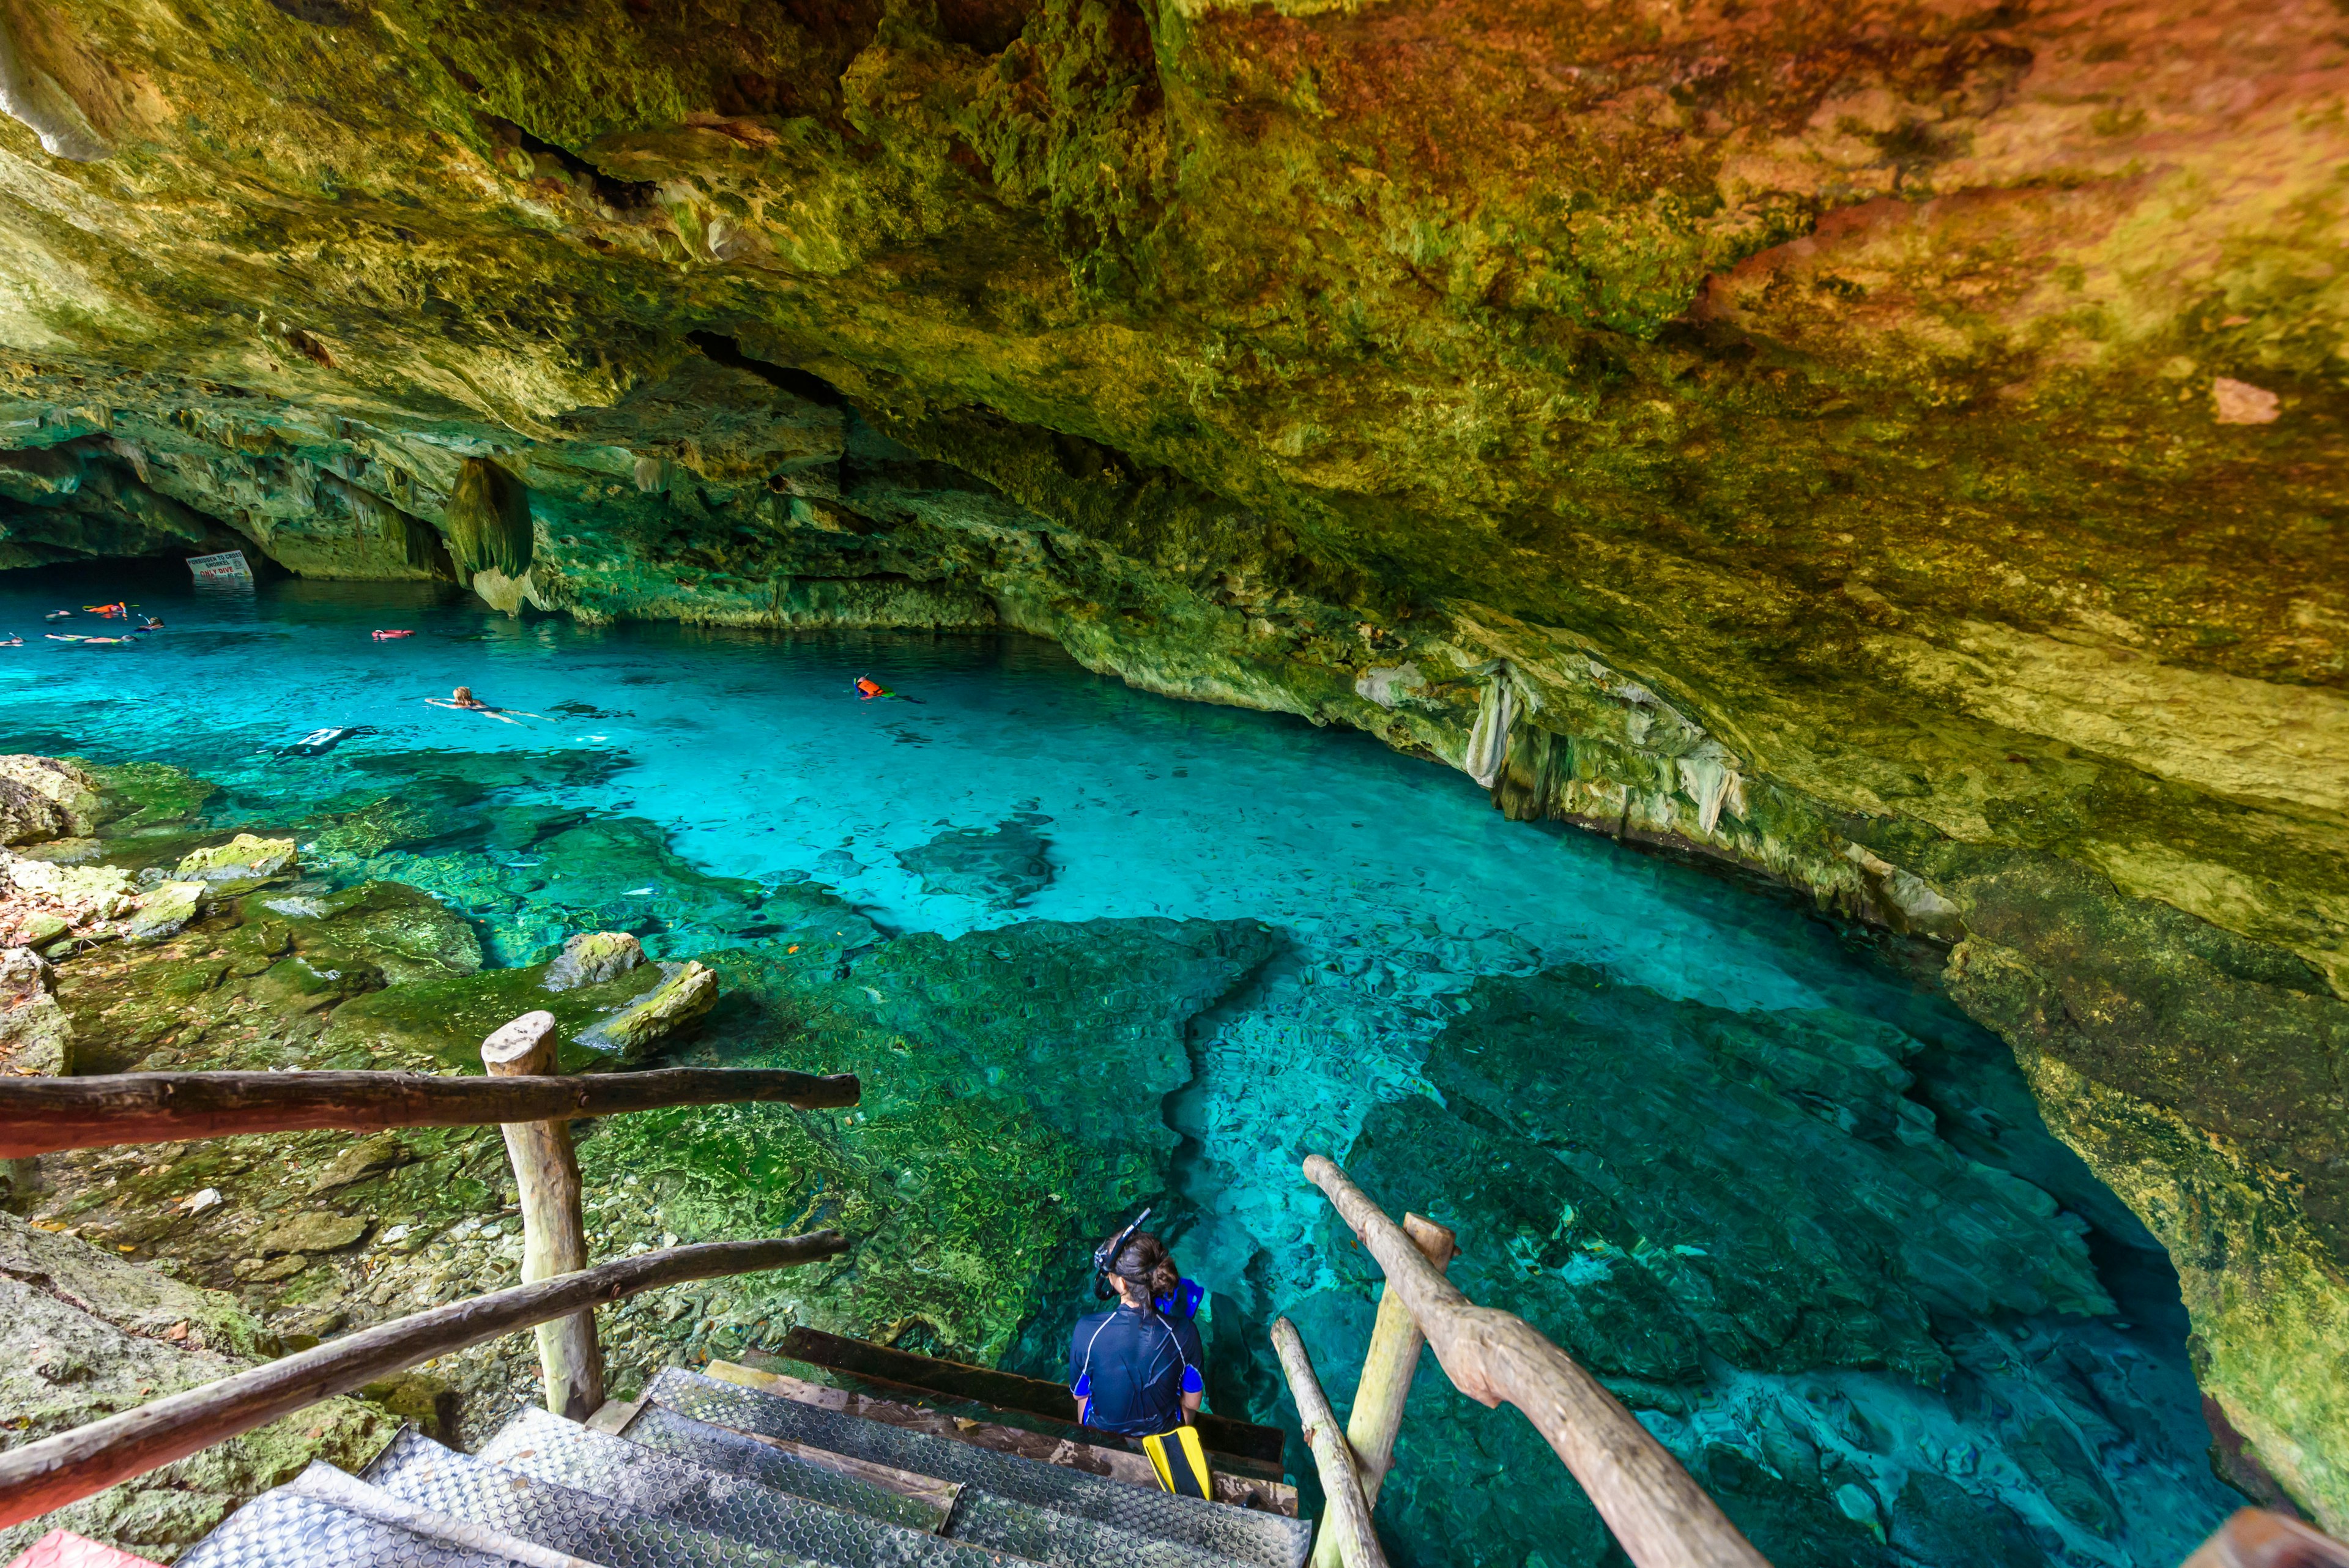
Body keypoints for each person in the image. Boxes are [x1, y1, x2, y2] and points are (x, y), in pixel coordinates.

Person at [1069, 1228, 1204, 1438]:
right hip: (1163, 1436)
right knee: (1185, 1401)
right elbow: (1193, 1402)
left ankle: (1089, 1438)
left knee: (1086, 1397)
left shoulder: (1087, 1330)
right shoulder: (1185, 1333)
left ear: (1122, 1283)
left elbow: (1079, 1394)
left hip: (1103, 1433)